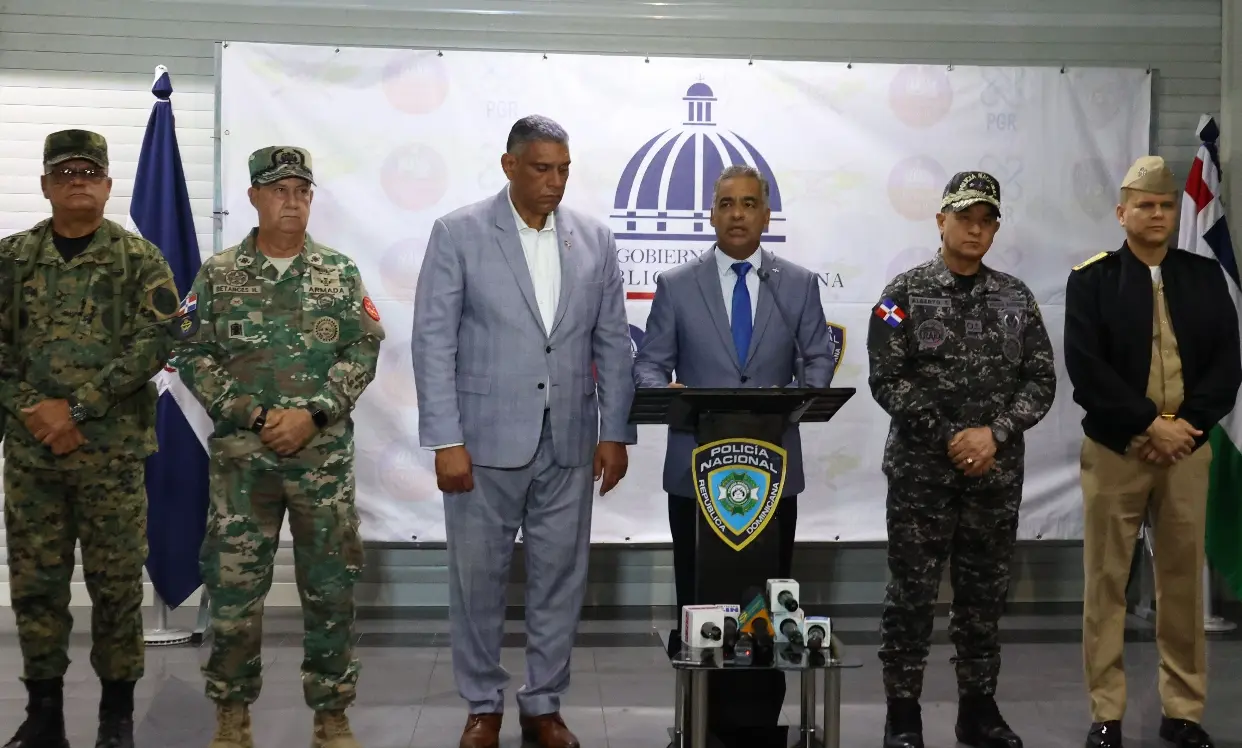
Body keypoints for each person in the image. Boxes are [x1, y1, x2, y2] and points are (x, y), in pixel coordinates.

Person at [412, 115, 635, 748]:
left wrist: (615, 431)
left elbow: (613, 341)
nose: (555, 181)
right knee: (477, 581)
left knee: (561, 580)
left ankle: (543, 705)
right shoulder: (458, 232)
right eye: (542, 168)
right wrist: (446, 440)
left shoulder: (594, 239)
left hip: (570, 439)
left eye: (563, 169)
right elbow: (433, 341)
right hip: (481, 443)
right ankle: (482, 705)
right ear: (509, 166)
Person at [173, 146, 384, 748]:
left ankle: (331, 715)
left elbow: (364, 348)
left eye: (301, 191)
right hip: (245, 464)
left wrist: (314, 414)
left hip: (322, 463)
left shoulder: (338, 273)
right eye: (278, 191)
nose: (292, 202)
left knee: (331, 589)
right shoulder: (219, 275)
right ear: (253, 198)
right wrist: (255, 414)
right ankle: (232, 715)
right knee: (235, 592)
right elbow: (189, 351)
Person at [633, 162, 836, 744]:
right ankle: (700, 722)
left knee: (766, 599)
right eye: (726, 204)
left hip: (772, 469)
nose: (738, 214)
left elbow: (818, 358)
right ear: (712, 214)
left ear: (766, 215)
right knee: (697, 597)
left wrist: (801, 393)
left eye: (749, 203)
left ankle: (758, 722)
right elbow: (649, 364)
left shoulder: (797, 283)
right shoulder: (677, 284)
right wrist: (665, 390)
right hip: (696, 470)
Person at [0, 130, 182, 748]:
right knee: (36, 586)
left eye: (88, 173)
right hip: (32, 456)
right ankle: (43, 715)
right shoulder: (11, 259)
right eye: (64, 173)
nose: (77, 182)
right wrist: (35, 411)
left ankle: (116, 720)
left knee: (116, 586)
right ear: (45, 185)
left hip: (111, 454)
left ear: (107, 185)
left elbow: (155, 342)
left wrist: (76, 407)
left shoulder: (139, 260)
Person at [867, 172, 1056, 748]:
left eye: (986, 220)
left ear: (995, 229)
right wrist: (952, 436)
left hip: (993, 475)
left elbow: (1041, 380)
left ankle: (978, 710)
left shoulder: (1016, 297)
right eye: (965, 218)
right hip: (922, 475)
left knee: (983, 599)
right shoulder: (902, 295)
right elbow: (887, 378)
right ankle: (903, 714)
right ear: (941, 221)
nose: (975, 229)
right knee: (911, 596)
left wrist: (992, 434)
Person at [1064, 156, 1241, 748]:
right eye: (1145, 205)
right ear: (1122, 213)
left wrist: (1187, 426)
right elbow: (1086, 370)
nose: (1158, 214)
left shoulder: (1203, 276)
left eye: (1166, 205)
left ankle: (1183, 711)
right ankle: (1106, 712)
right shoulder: (1092, 280)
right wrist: (1146, 424)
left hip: (1187, 450)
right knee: (1106, 582)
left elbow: (1226, 364)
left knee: (1183, 585)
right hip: (1117, 449)